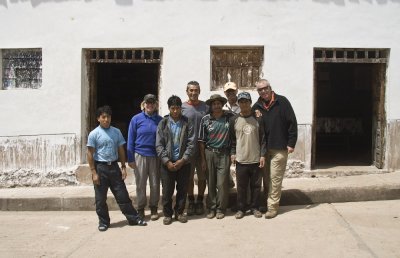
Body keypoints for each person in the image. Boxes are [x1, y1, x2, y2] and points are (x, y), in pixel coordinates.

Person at [87, 105, 147, 232]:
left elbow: (121, 150)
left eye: (108, 117)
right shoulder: (94, 134)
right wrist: (93, 172)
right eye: (103, 117)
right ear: (98, 118)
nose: (106, 120)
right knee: (100, 198)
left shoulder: (116, 132)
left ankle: (133, 218)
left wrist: (123, 166)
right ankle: (103, 222)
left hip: (114, 167)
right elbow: (90, 153)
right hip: (100, 167)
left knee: (122, 195)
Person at [252, 79, 298, 219]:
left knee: (275, 179)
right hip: (264, 150)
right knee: (266, 179)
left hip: (280, 148)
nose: (263, 91)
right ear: (258, 92)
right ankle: (267, 203)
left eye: (265, 88)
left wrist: (291, 143)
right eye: (260, 89)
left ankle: (272, 207)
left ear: (270, 88)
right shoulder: (257, 107)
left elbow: (292, 123)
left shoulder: (282, 102)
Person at [156, 95, 195, 225]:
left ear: (181, 109)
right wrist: (166, 161)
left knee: (182, 189)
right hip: (167, 163)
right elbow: (159, 144)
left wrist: (183, 160)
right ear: (169, 108)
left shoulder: (187, 122)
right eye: (172, 108)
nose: (175, 111)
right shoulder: (163, 123)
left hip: (183, 163)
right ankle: (167, 214)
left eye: (177, 108)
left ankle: (179, 212)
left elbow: (191, 143)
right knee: (167, 190)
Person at [229, 92, 266, 219]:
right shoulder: (234, 119)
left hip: (256, 159)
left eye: (246, 101)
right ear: (238, 103)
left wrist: (262, 155)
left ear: (250, 103)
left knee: (256, 186)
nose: (244, 104)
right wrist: (233, 153)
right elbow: (232, 140)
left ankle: (255, 207)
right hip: (241, 160)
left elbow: (263, 138)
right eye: (241, 102)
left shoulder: (258, 118)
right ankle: (241, 208)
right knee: (241, 187)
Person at [127, 94, 162, 221]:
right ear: (144, 104)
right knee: (140, 184)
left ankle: (153, 207)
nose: (150, 105)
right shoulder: (136, 119)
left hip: (155, 156)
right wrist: (130, 158)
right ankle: (140, 208)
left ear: (156, 105)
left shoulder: (160, 120)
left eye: (152, 102)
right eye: (148, 102)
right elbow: (130, 139)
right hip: (139, 155)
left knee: (155, 183)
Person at [198, 94, 234, 219]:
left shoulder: (229, 117)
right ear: (211, 106)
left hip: (224, 153)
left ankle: (221, 208)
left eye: (219, 103)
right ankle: (211, 208)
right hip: (209, 153)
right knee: (211, 182)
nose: (217, 106)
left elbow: (242, 119)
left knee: (222, 183)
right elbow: (201, 141)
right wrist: (203, 159)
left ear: (222, 104)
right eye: (214, 104)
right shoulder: (205, 119)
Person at [181, 81, 209, 216]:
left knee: (202, 176)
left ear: (199, 91)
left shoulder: (206, 106)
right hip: (188, 148)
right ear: (187, 91)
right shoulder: (182, 108)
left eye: (196, 90)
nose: (193, 92)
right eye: (191, 90)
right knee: (189, 178)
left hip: (204, 148)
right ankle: (191, 201)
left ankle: (200, 200)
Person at [222, 81, 240, 189]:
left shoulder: (242, 104)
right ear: (225, 93)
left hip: (239, 138)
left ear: (236, 91)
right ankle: (229, 182)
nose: (230, 94)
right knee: (225, 164)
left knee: (240, 164)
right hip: (225, 139)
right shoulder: (222, 106)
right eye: (228, 92)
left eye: (232, 91)